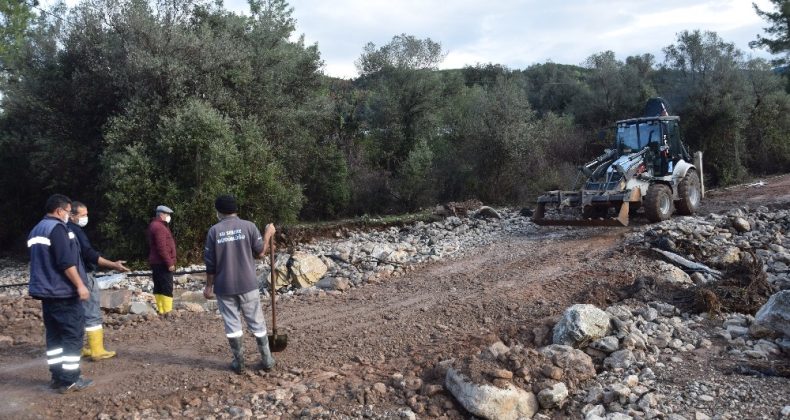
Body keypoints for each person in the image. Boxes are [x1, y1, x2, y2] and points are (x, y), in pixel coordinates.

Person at [27, 194, 93, 393]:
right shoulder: (56, 229)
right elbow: (65, 261)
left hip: (47, 293)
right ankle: (70, 379)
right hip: (63, 292)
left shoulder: (37, 229)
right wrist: (80, 285)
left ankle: (57, 377)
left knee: (54, 337)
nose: (69, 215)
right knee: (72, 335)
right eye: (68, 211)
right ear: (59, 210)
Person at [203, 194, 276, 374]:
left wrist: (208, 286)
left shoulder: (214, 231)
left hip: (224, 286)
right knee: (257, 321)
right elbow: (260, 252)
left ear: (218, 211)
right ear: (236, 209)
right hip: (248, 284)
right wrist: (268, 234)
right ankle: (267, 359)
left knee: (232, 325)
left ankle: (239, 363)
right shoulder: (249, 226)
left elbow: (210, 264)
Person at [68, 201, 130, 360]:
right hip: (84, 274)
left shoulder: (62, 230)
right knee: (92, 312)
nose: (86, 217)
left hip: (71, 276)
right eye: (83, 215)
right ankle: (97, 350)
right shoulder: (76, 231)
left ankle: (80, 348)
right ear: (72, 215)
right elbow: (89, 254)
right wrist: (113, 265)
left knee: (76, 312)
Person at [146, 205, 176, 315]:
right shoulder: (159, 227)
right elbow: (162, 247)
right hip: (162, 262)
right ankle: (167, 311)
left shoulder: (154, 225)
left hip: (156, 262)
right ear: (162, 214)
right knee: (167, 287)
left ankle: (161, 310)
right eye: (168, 215)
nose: (169, 217)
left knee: (158, 286)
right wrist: (169, 263)